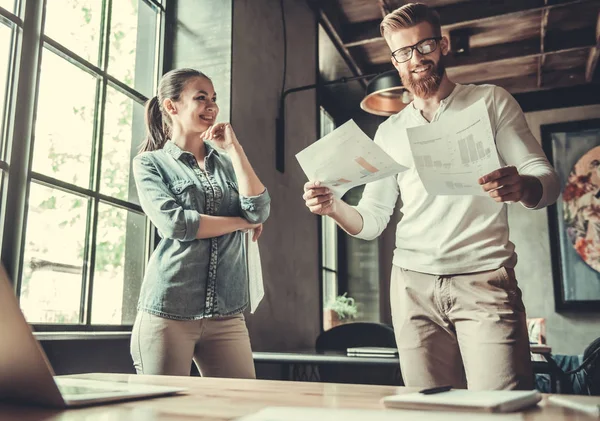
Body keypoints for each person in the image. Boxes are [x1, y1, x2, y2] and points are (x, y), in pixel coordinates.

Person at [302, 3, 560, 391]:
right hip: (411, 288)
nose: (415, 59)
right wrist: (334, 207)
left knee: (506, 407)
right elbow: (373, 220)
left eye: (423, 46)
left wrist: (524, 186)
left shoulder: (490, 101)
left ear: (443, 45)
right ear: (394, 59)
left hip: (484, 280)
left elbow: (547, 177)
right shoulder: (389, 131)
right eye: (403, 52)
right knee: (430, 411)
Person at [131, 68, 270, 379]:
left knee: (240, 408)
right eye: (201, 98)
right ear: (171, 106)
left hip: (226, 314)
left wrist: (235, 150)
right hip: (168, 310)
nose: (212, 106)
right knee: (163, 412)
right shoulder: (150, 164)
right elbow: (176, 224)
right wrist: (239, 223)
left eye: (214, 99)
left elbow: (259, 210)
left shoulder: (228, 163)